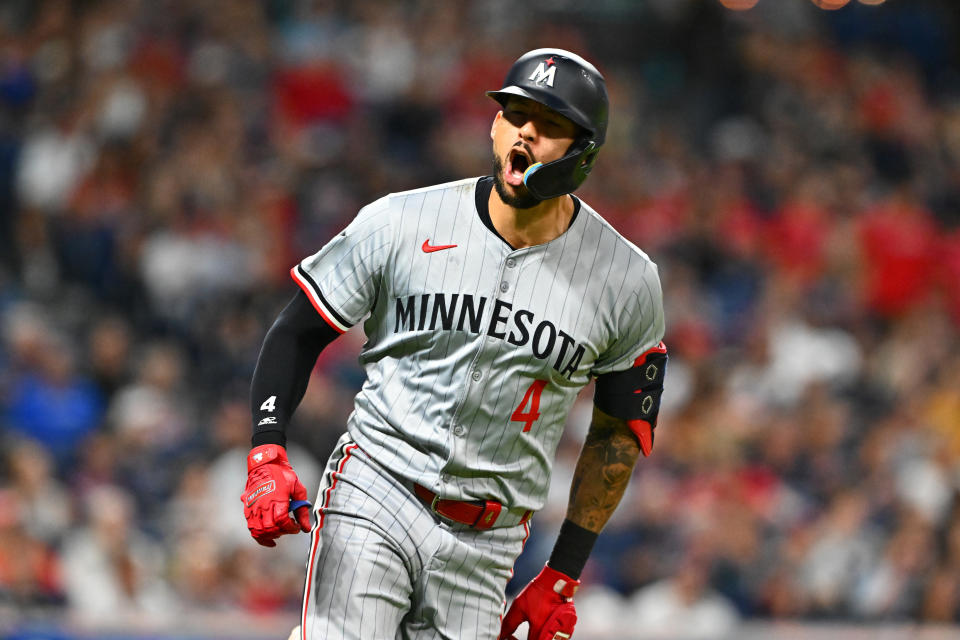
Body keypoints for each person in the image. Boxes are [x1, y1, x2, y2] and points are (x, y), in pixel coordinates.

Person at [241, 48, 667, 640]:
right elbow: (296, 330)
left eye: (550, 126)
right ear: (495, 124)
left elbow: (619, 434)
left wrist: (563, 574)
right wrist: (267, 450)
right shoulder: (402, 221)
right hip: (377, 488)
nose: (526, 133)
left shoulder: (627, 280)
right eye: (516, 114)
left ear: (583, 154)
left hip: (488, 541)